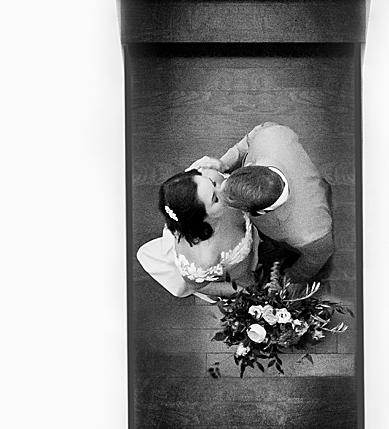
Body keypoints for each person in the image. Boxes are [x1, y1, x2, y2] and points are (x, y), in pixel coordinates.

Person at [188, 122, 333, 283]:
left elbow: (317, 257)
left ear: (255, 211)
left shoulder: (309, 233)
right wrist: (224, 164)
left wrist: (291, 277)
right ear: (251, 166)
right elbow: (249, 139)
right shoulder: (270, 135)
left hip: (312, 201)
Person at [137, 167, 259, 300]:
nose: (223, 189)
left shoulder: (212, 179)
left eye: (212, 183)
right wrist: (244, 292)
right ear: (200, 218)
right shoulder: (203, 260)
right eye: (215, 199)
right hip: (240, 271)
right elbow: (201, 286)